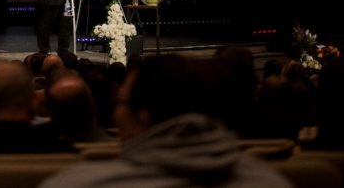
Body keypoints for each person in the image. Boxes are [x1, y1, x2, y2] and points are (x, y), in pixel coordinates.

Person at [38, 55, 293, 188]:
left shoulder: (76, 183)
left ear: (143, 117)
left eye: (122, 101)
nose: (115, 110)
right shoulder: (272, 182)